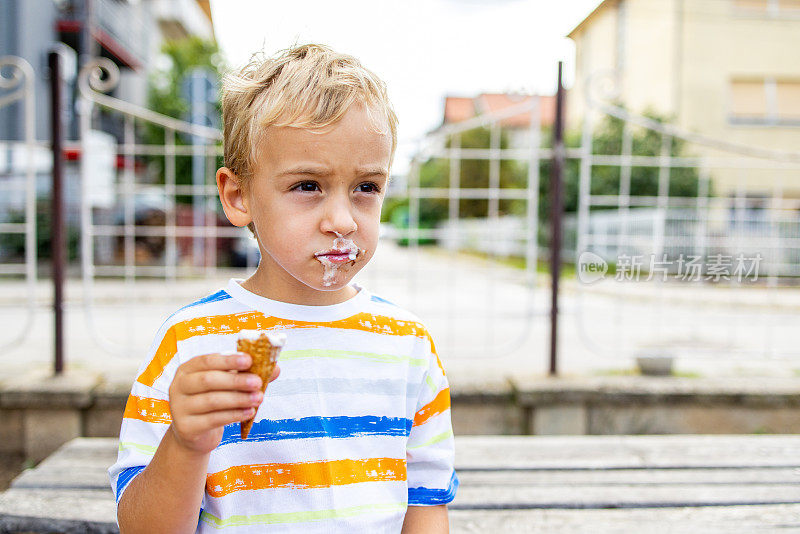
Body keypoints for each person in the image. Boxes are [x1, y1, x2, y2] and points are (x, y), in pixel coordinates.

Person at [108, 43, 458, 533]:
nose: (342, 220)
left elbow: (425, 503)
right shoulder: (192, 342)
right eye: (307, 186)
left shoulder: (408, 344)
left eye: (366, 187)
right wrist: (186, 445)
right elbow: (143, 527)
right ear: (238, 196)